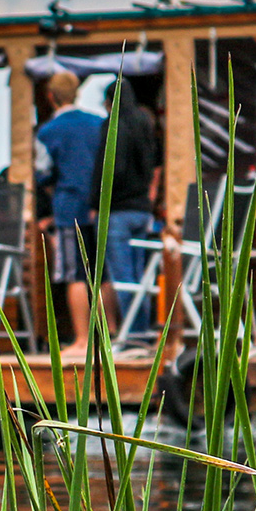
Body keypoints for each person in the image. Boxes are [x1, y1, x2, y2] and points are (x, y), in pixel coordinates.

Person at [34, 71, 105, 357]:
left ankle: (82, 341)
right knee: (103, 274)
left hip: (68, 210)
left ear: (50, 97)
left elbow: (43, 173)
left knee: (76, 274)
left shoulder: (47, 132)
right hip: (100, 209)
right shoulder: (100, 124)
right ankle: (108, 334)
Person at [102, 81, 161, 339]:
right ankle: (143, 331)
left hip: (119, 211)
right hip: (142, 211)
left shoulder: (114, 125)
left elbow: (108, 171)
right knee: (140, 276)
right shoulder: (144, 124)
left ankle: (132, 335)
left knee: (123, 277)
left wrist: (96, 203)